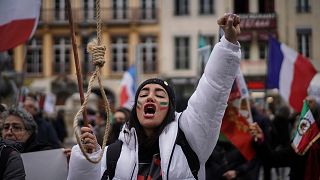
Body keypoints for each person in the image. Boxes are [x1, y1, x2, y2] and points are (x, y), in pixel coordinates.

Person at [67, 13, 241, 180]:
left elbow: (213, 89)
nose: (150, 97)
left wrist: (228, 45)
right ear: (136, 107)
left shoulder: (190, 138)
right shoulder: (112, 154)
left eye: (159, 94)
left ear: (170, 108)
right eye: (143, 94)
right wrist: (87, 160)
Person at [249, 95, 320, 180]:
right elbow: (273, 159)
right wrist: (261, 140)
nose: (305, 104)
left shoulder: (303, 141)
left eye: (310, 102)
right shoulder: (301, 141)